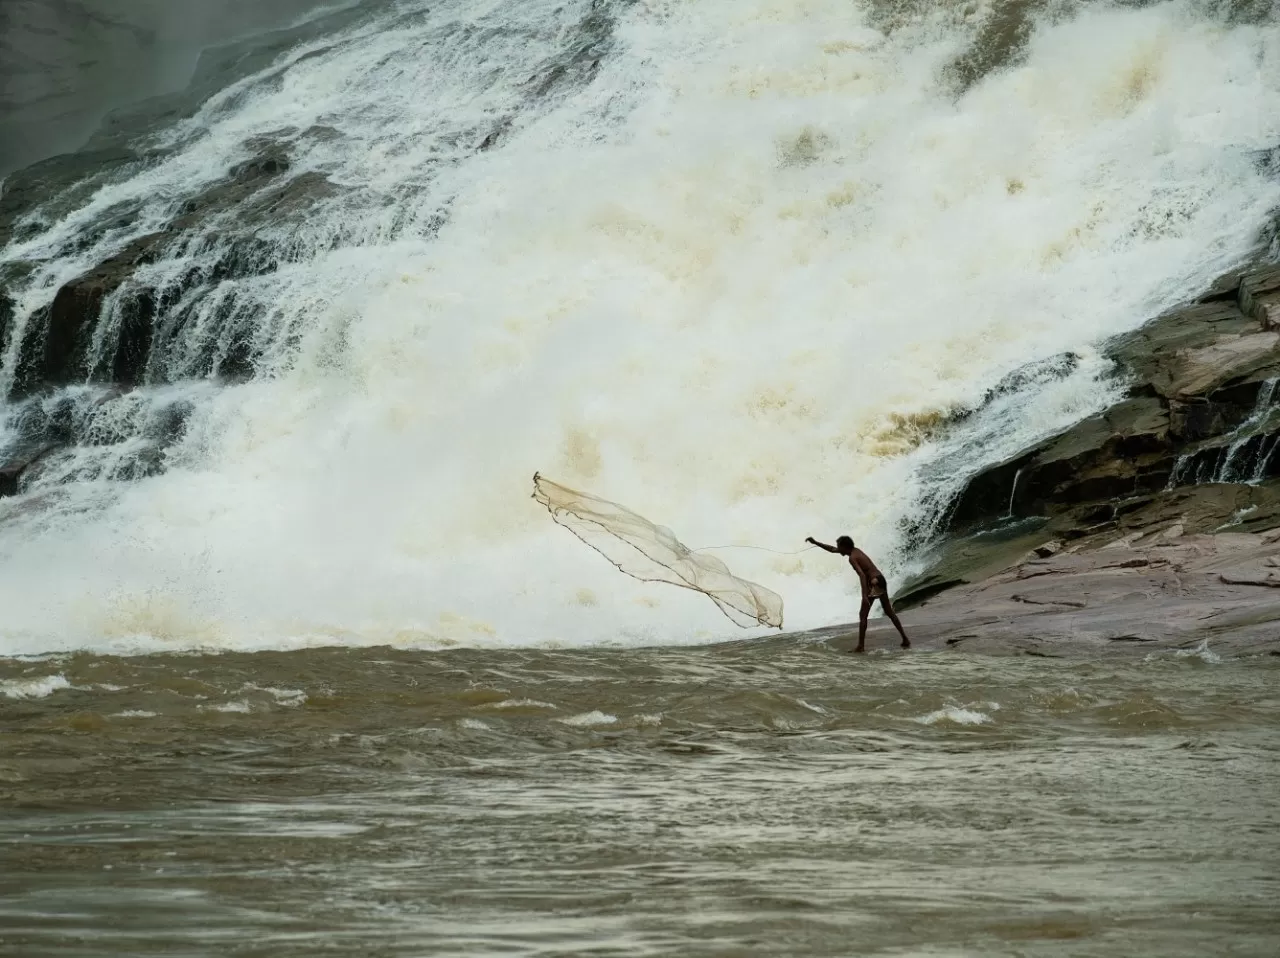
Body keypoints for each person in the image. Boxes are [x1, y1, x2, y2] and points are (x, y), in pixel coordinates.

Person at [806, 535, 911, 653]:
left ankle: (861, 646)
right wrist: (815, 542)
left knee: (863, 615)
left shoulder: (852, 558)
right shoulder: (856, 551)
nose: (837, 549)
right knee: (889, 612)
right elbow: (832, 549)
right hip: (880, 579)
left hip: (874, 583)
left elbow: (861, 575)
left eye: (839, 547)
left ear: (845, 547)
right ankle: (905, 639)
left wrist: (864, 595)